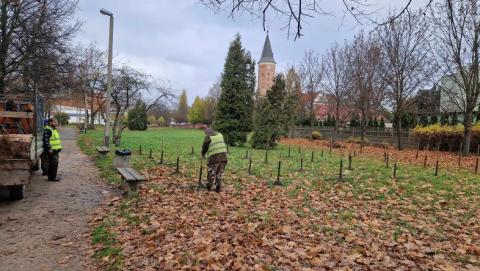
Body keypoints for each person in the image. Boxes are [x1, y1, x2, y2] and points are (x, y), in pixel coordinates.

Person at [201, 127, 227, 192]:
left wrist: (203, 154)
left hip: (214, 158)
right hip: (223, 157)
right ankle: (218, 187)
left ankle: (209, 187)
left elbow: (205, 146)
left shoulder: (208, 137)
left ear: (207, 132)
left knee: (211, 172)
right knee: (219, 173)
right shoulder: (220, 134)